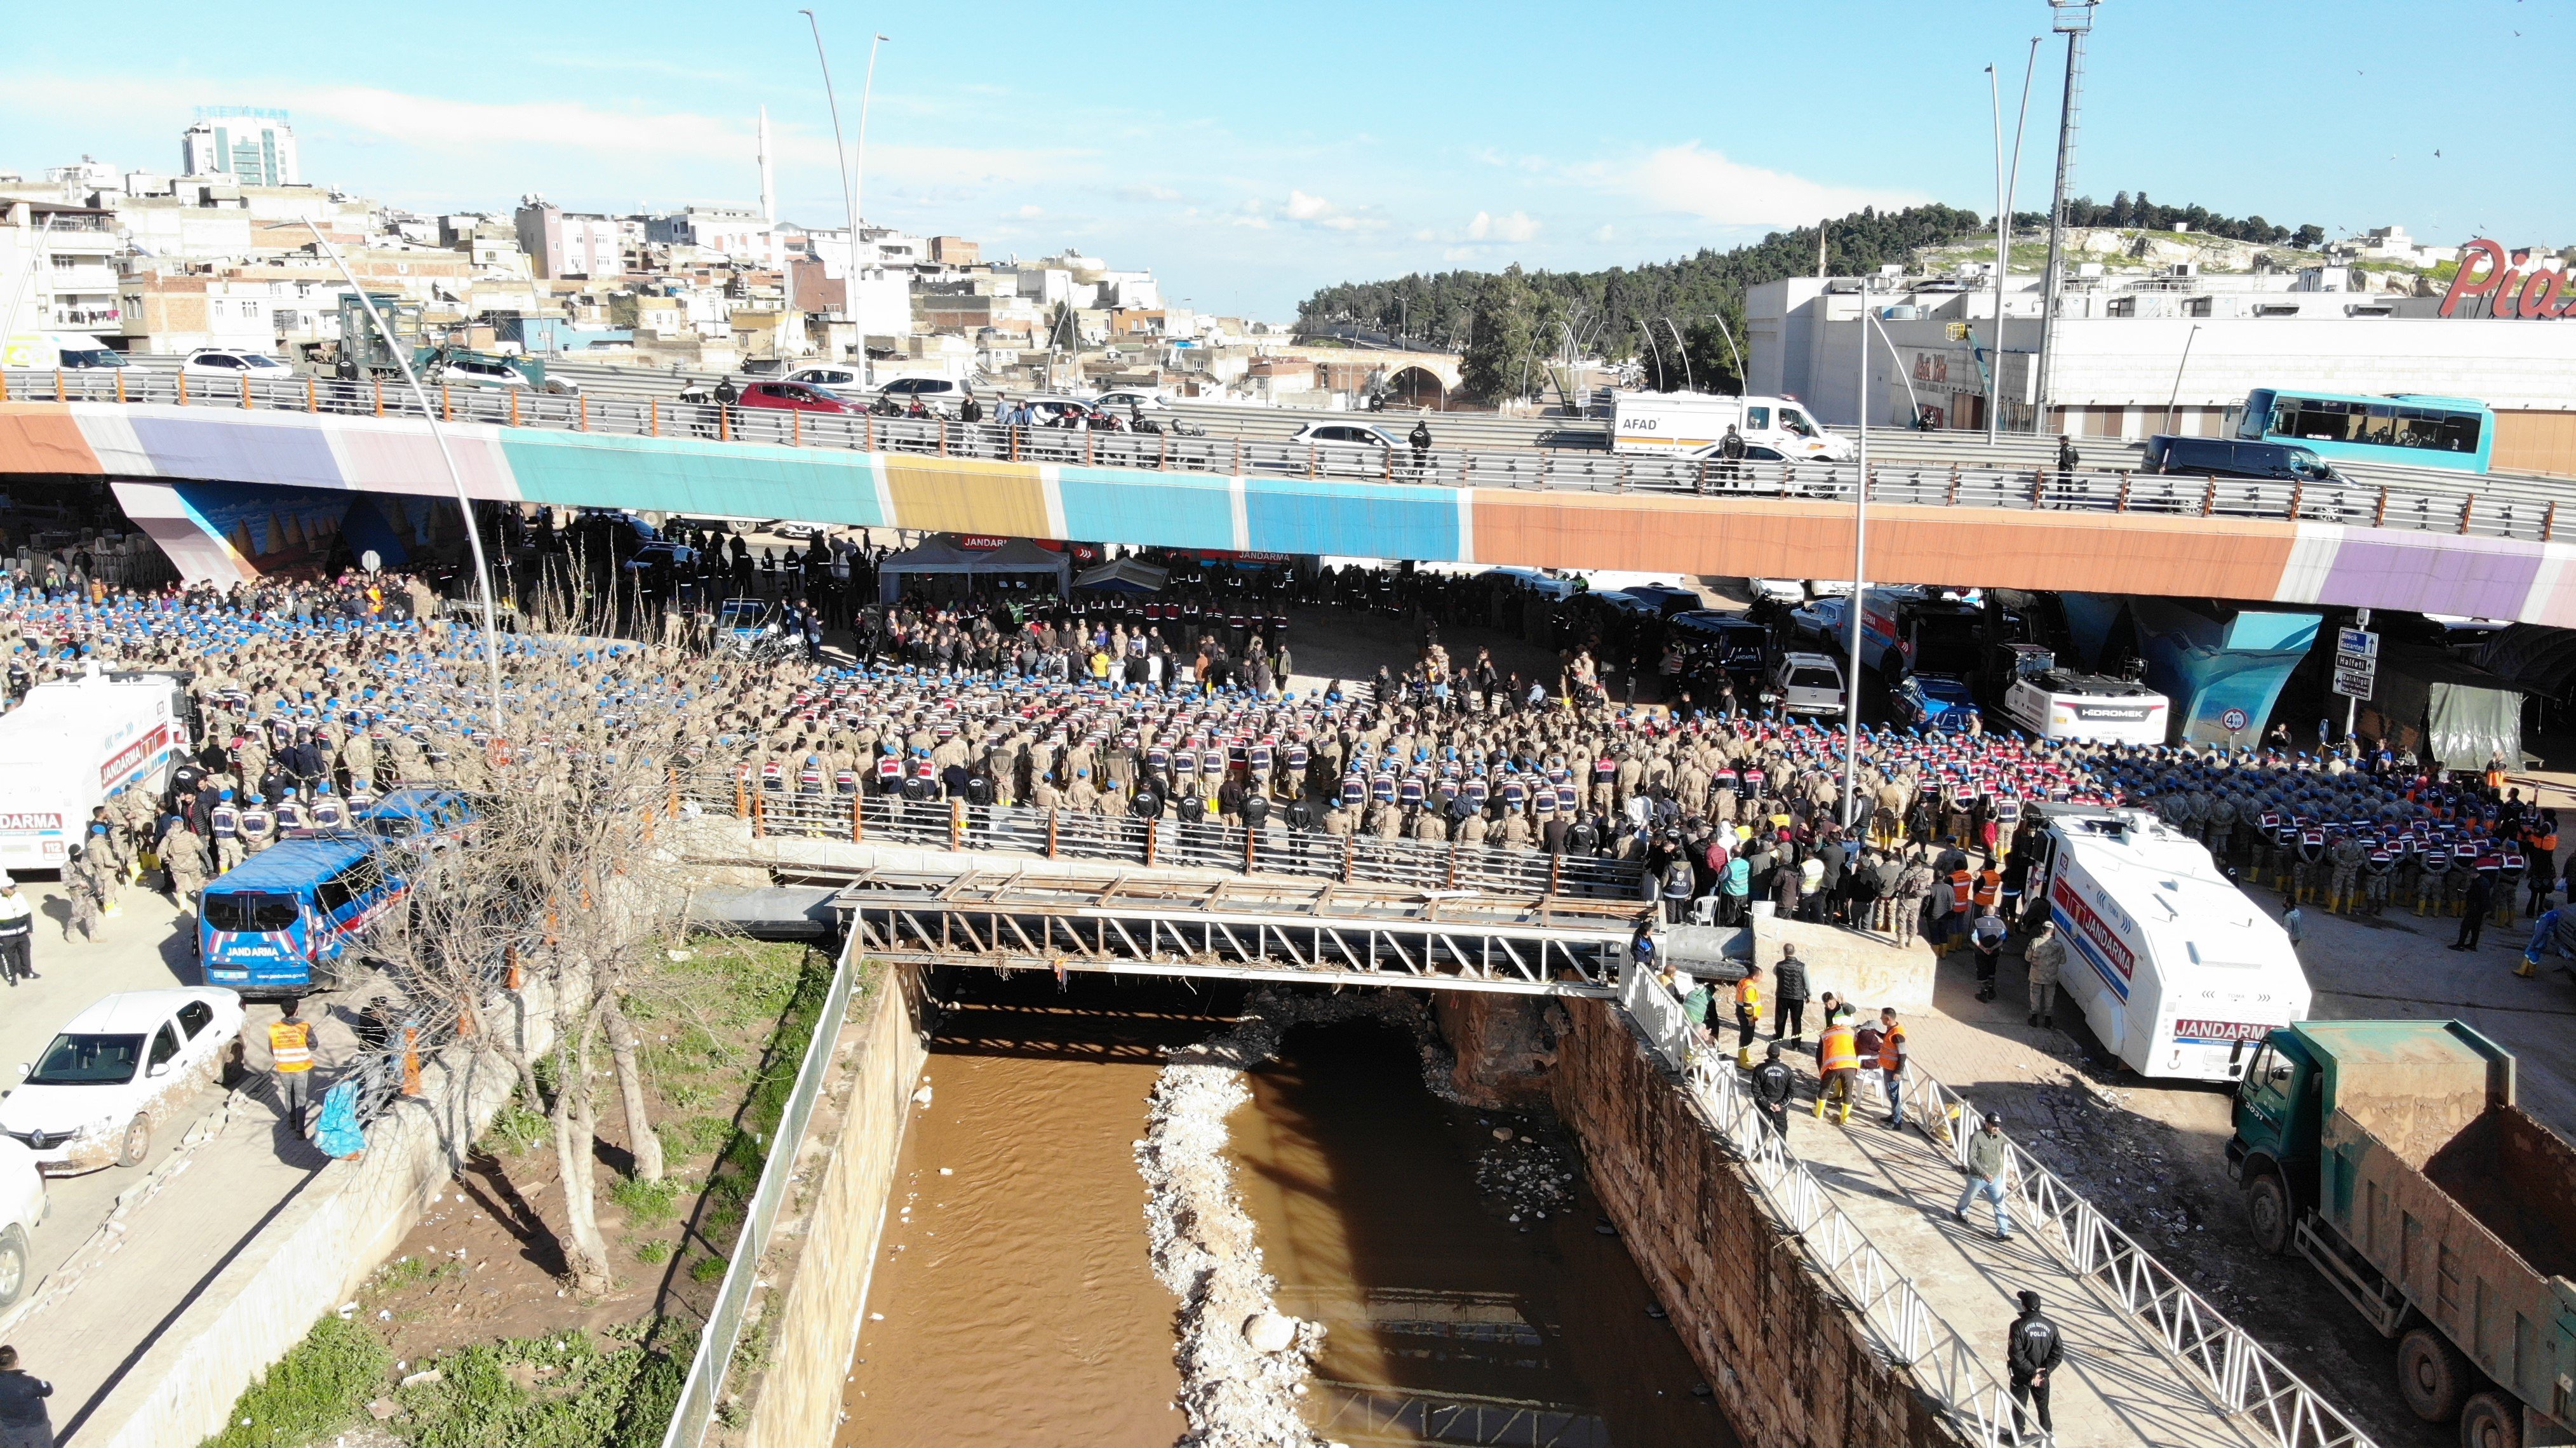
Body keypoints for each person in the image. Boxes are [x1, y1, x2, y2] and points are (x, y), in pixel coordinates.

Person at [2006, 1290, 2063, 1443]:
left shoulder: (2018, 1326)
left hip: (2022, 1375)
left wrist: (2033, 1372)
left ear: (2024, 1306)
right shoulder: (2051, 1326)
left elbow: (2016, 1355)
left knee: (2019, 1406)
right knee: (2043, 1407)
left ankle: (2016, 1437)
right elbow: (2058, 1353)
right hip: (2042, 1377)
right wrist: (2044, 1372)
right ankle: (2048, 1437)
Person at [1955, 1111, 2015, 1239]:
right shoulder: (1977, 1137)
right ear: (1986, 1124)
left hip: (1995, 1177)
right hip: (1978, 1177)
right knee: (1969, 1196)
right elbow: (1971, 1159)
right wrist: (1983, 1173)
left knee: (1999, 1203)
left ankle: (2003, 1231)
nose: (1997, 1129)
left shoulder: (1999, 1137)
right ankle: (1961, 1209)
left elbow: (2002, 1150)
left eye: (1998, 1126)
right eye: (1994, 1126)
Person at [269, 1000, 316, 1136]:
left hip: (283, 1067)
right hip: (301, 1067)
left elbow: (271, 1049)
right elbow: (313, 1045)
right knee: (300, 1098)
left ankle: (292, 1121)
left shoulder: (274, 1028)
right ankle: (300, 1130)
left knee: (289, 1094)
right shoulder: (304, 1026)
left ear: (282, 1010)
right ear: (296, 1010)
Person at [0, 1344, 53, 1448]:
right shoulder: (29, 1383)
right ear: (16, 1362)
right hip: (36, 1428)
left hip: (9, 1430)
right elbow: (48, 1390)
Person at [1813, 1011, 1860, 1125]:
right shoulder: (1851, 1033)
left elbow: (1820, 1053)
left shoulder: (1826, 1034)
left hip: (1833, 1066)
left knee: (1825, 1089)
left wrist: (1821, 1071)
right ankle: (1844, 1118)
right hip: (1850, 1066)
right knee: (1848, 1092)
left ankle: (1819, 1114)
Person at [1750, 1042, 1795, 1150]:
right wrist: (1781, 1105)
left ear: (1767, 1053)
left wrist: (1768, 1104)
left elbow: (1756, 1090)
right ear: (1779, 1054)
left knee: (1762, 1130)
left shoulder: (1760, 1069)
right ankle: (1781, 1156)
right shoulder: (1787, 1070)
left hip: (1764, 1106)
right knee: (1781, 1131)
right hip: (1780, 1108)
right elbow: (1791, 1092)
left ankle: (1760, 1154)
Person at [2023, 920, 2063, 1028]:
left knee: (2035, 995)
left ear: (2042, 930)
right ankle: (2048, 1020)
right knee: (2049, 997)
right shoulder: (2058, 945)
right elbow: (2063, 960)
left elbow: (2027, 957)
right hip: (2051, 976)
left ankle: (2034, 1018)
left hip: (2036, 975)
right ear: (2053, 931)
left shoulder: (2035, 942)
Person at [1771, 944, 1809, 1049]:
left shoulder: (1779, 966)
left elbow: (1775, 973)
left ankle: (1778, 1038)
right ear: (1794, 951)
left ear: (1784, 952)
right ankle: (1796, 1045)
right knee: (1796, 1021)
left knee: (1780, 1018)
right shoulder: (1802, 966)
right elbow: (1806, 982)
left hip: (1782, 995)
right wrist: (1808, 994)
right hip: (1797, 997)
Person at [1877, 1007, 1909, 1130]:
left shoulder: (1897, 1034)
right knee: (1891, 1094)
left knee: (1894, 1095)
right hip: (1888, 1067)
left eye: (1882, 1017)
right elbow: (1886, 1039)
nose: (1881, 1019)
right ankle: (1894, 1115)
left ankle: (1897, 1122)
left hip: (1893, 1070)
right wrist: (1876, 1032)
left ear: (1888, 1018)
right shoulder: (1891, 1029)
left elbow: (1903, 1054)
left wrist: (1898, 1071)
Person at [1970, 906, 2008, 1002]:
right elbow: (2003, 939)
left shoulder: (1977, 922)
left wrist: (1984, 949)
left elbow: (1974, 938)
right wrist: (1992, 948)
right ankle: (1991, 991)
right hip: (1994, 953)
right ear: (1994, 912)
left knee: (1982, 970)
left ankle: (1984, 994)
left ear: (1984, 912)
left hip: (1980, 953)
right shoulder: (2001, 923)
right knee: (1992, 971)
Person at [0, 878, 30, 986]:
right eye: (11, 888)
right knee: (8, 957)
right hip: (5, 935)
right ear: (3, 889)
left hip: (21, 932)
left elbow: (27, 911)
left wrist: (30, 928)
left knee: (25, 953)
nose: (13, 889)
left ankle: (27, 973)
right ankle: (12, 978)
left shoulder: (18, 896)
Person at [2454, 871, 2493, 951]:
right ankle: (2473, 945)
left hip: (2475, 906)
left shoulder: (2477, 883)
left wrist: (2467, 893)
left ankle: (2460, 945)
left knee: (2465, 926)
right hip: (2482, 908)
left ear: (2473, 873)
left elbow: (2474, 895)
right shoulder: (2485, 880)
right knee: (2476, 927)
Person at [1732, 962, 1763, 1054]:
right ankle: (1742, 1060)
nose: (1761, 979)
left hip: (1740, 1011)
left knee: (1744, 1034)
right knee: (1747, 1037)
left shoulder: (1743, 981)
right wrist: (1750, 1020)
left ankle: (1744, 1056)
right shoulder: (1750, 988)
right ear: (1754, 977)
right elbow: (1748, 1006)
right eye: (1760, 977)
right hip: (1747, 1015)